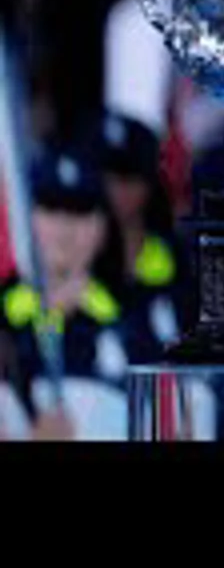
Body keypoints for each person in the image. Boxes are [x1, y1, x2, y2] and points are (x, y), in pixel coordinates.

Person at [0, 150, 161, 441]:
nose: (64, 230)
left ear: (102, 226)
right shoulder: (3, 316)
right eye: (51, 210)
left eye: (80, 212)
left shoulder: (134, 321)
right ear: (24, 219)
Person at [83, 111, 187, 351]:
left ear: (149, 181)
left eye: (127, 175)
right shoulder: (67, 262)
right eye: (103, 175)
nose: (113, 188)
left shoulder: (179, 262)